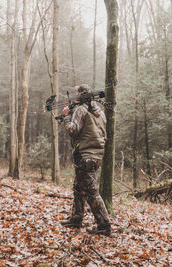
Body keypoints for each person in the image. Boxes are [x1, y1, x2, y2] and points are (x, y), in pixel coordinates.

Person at [59, 84, 111, 236]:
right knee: (78, 187)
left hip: (85, 156)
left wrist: (66, 116)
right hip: (96, 155)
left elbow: (73, 130)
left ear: (81, 95)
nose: (75, 96)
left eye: (76, 94)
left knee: (92, 192)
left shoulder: (81, 110)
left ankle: (104, 226)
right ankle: (76, 219)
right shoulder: (100, 111)